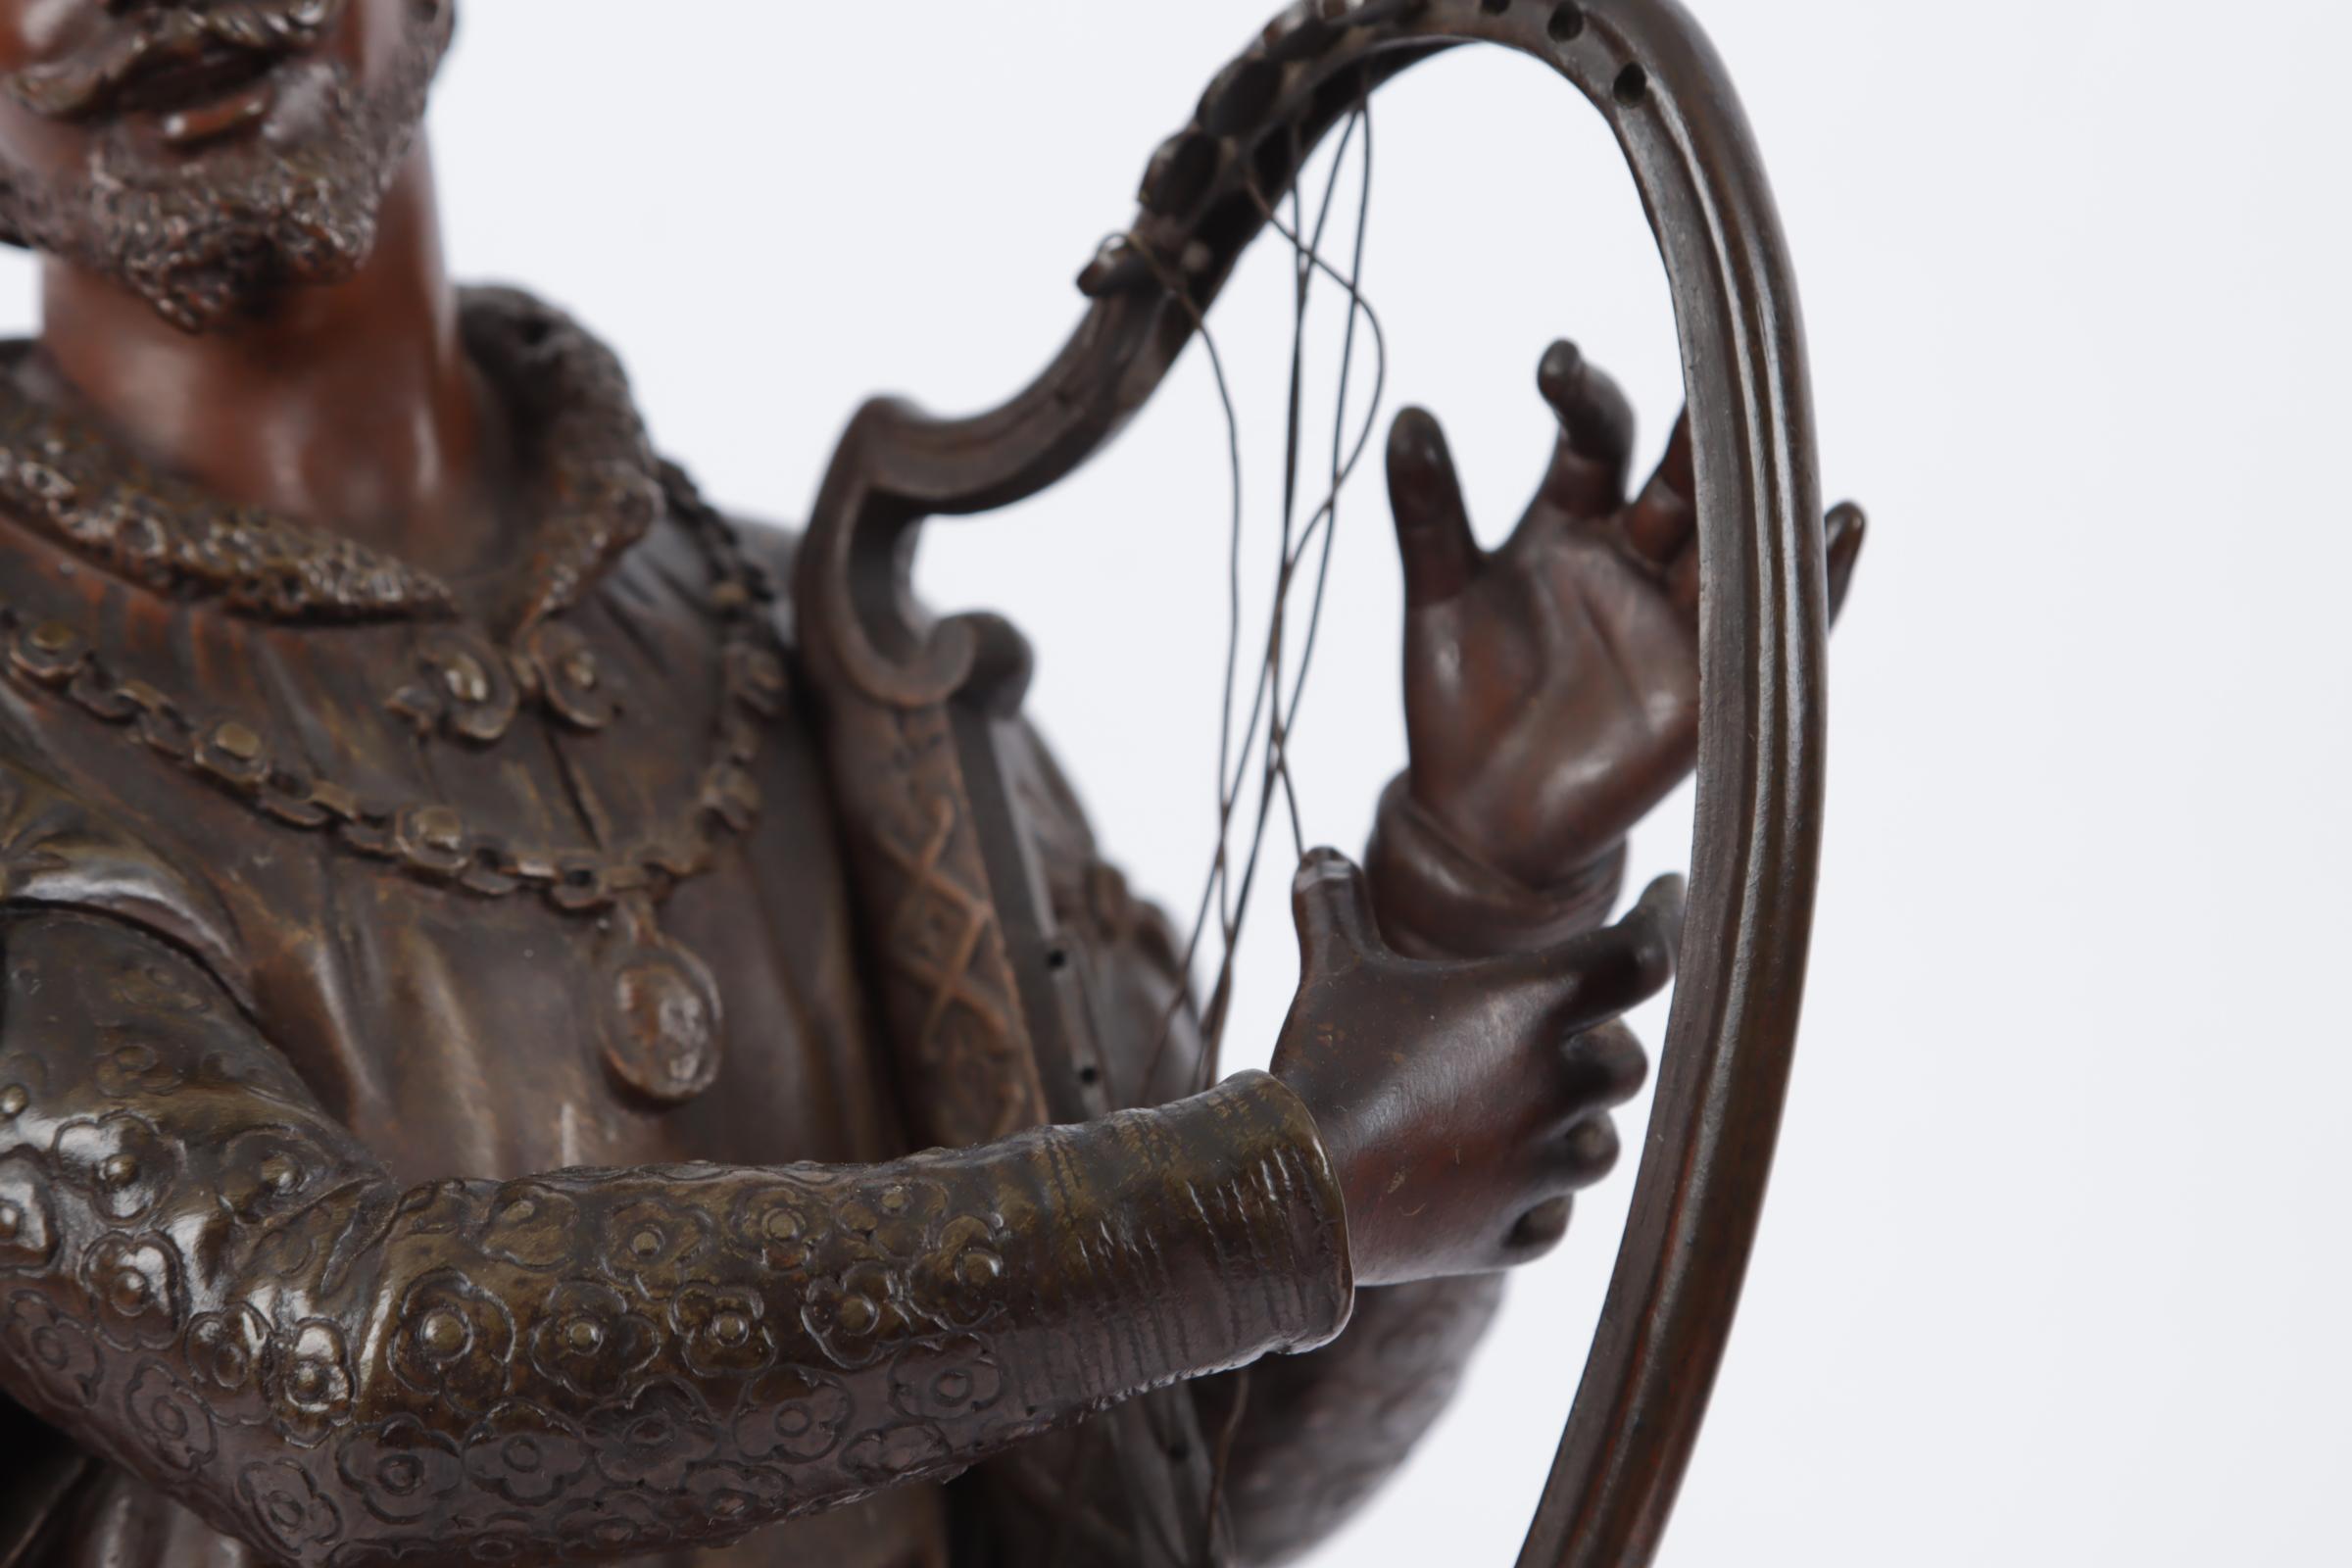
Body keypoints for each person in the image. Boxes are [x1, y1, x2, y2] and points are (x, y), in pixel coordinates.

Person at [0, 3, 1860, 1564]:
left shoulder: (815, 645)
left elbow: (1183, 1474)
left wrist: (1473, 890)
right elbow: (336, 1394)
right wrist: (1282, 1192)